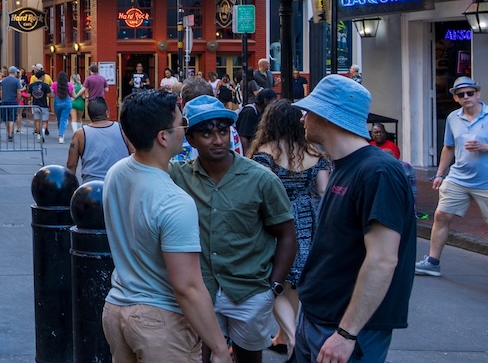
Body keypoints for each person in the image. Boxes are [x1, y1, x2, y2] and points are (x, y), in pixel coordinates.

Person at [101, 90, 231, 363]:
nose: (185, 130)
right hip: (160, 322)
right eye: (182, 124)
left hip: (116, 310)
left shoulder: (117, 172)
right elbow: (188, 287)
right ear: (163, 137)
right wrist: (219, 348)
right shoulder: (174, 201)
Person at [294, 75, 416, 363]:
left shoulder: (378, 172)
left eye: (309, 111)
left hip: (345, 330)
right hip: (318, 317)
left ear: (328, 116)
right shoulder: (343, 165)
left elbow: (383, 259)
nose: (303, 119)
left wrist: (347, 334)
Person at [170, 96, 297, 363]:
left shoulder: (261, 178)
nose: (217, 140)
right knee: (199, 356)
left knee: (248, 358)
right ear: (190, 140)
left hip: (250, 290)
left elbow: (286, 235)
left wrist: (272, 288)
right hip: (201, 290)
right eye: (206, 133)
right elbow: (142, 158)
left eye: (223, 131)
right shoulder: (178, 175)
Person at [251, 98, 331, 355]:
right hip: (305, 216)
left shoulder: (264, 153)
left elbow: (256, 190)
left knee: (275, 279)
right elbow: (323, 190)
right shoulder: (313, 153)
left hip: (274, 217)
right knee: (293, 280)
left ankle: (293, 339)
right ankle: (282, 337)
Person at [416, 75, 488, 277]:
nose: (466, 97)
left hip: (485, 181)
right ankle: (432, 262)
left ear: (478, 94)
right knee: (441, 216)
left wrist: (484, 147)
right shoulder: (453, 118)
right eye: (461, 94)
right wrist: (440, 174)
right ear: (456, 98)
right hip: (458, 177)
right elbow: (448, 147)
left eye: (470, 93)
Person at [66, 97, 130, 182]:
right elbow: (134, 155)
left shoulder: (80, 134)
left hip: (91, 186)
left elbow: (71, 165)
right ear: (107, 113)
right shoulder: (123, 129)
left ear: (89, 115)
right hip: (119, 184)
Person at [237, 87, 274, 155]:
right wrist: (247, 156)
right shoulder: (250, 112)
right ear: (266, 101)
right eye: (272, 102)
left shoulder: (260, 113)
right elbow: (243, 136)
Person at [0, 66, 23, 140]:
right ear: (15, 72)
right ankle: (10, 133)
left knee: (6, 118)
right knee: (11, 118)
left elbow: (1, 91)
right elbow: (19, 93)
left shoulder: (3, 80)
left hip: (4, 101)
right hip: (12, 101)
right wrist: (18, 101)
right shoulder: (16, 81)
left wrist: (2, 99)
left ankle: (8, 131)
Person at [52, 71, 74, 143]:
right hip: (67, 102)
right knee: (64, 119)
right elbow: (73, 95)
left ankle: (61, 133)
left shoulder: (55, 84)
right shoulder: (69, 85)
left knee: (59, 119)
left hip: (57, 102)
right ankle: (61, 136)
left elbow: (52, 94)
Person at [29, 71, 52, 139]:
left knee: (37, 120)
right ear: (42, 76)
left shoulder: (32, 85)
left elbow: (29, 95)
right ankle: (43, 131)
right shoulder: (45, 85)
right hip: (43, 104)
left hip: (35, 104)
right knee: (45, 121)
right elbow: (49, 95)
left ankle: (39, 135)